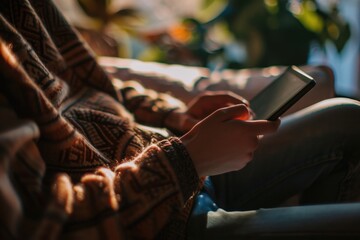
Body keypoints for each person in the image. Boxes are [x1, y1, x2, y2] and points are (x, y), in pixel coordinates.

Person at [0, 0, 359, 240]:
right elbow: (41, 223)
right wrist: (186, 161)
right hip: (157, 219)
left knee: (347, 118)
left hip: (177, 163)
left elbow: (97, 84)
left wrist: (176, 114)